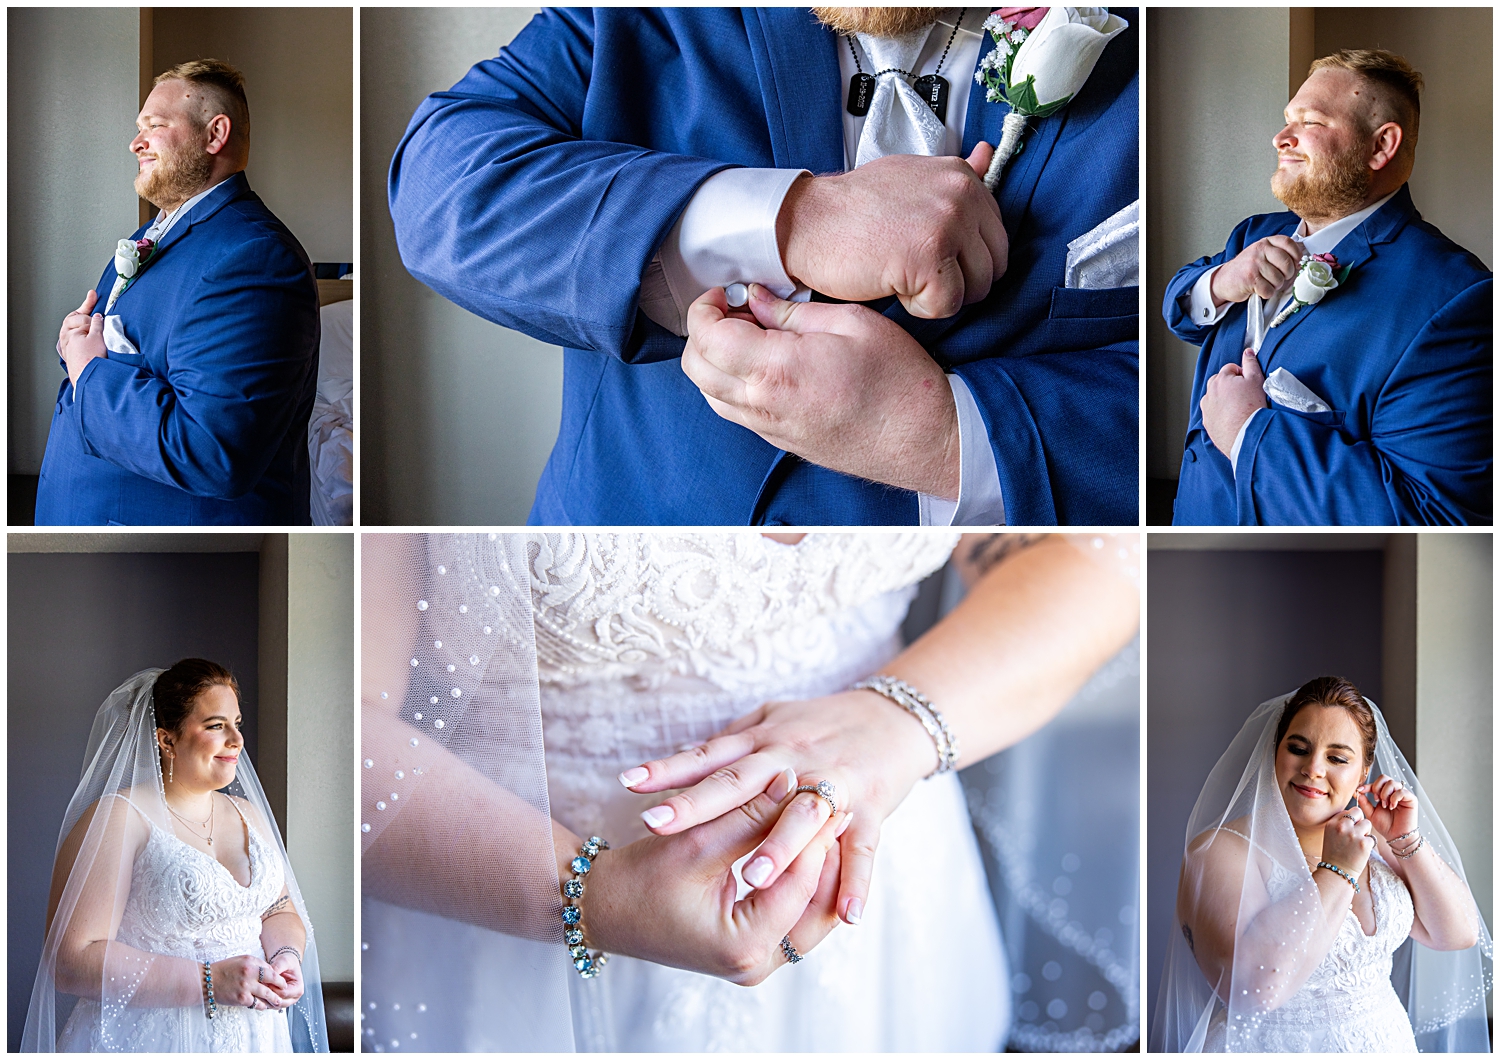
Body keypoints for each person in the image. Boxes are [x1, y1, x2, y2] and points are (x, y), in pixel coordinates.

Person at [360, 531, 1139, 1050]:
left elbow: (1092, 550)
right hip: (498, 879)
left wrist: (894, 720)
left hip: (872, 891)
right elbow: (341, 719)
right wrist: (591, 895)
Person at [389, 8, 1139, 526]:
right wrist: (793, 221)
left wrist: (945, 437)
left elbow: (1209, 390)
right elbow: (441, 187)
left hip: (959, 614)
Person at [1163, 49, 1491, 526]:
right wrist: (1218, 283)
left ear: (1381, 146)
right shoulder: (1253, 233)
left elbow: (1434, 519)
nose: (1280, 138)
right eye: (1286, 120)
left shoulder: (1456, 299)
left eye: (1310, 122)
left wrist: (1248, 432)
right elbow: (1181, 308)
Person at [37, 60, 320, 526]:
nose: (136, 142)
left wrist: (88, 370)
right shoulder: (155, 232)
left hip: (164, 553)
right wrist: (77, 343)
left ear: (215, 135)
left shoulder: (254, 258)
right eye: (138, 128)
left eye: (155, 126)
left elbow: (211, 452)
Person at [1153, 677, 1490, 1052]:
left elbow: (1459, 933)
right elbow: (1254, 990)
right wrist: (1337, 871)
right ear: (1275, 753)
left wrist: (1405, 840)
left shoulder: (1375, 838)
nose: (1313, 768)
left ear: (1363, 772)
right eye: (1298, 748)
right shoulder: (1218, 851)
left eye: (1337, 758)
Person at [21, 661, 329, 1052]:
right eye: (217, 725)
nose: (237, 739)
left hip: (259, 1040)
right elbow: (71, 961)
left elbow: (279, 909)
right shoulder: (121, 817)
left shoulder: (248, 815)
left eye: (237, 723)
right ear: (166, 740)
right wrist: (209, 982)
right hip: (153, 1039)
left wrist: (286, 956)